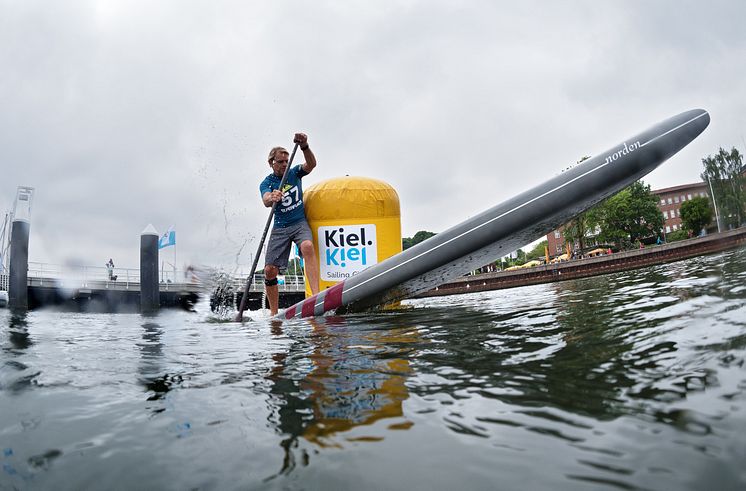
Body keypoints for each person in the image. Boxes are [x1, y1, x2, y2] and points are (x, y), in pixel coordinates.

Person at [260, 133, 320, 315]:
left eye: (286, 161)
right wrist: (272, 197)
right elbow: (265, 199)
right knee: (269, 271)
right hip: (280, 227)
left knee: (308, 246)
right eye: (281, 162)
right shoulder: (267, 182)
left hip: (299, 222)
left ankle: (316, 298)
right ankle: (274, 313)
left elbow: (311, 165)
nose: (285, 164)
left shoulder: (294, 173)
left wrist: (305, 146)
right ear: (271, 163)